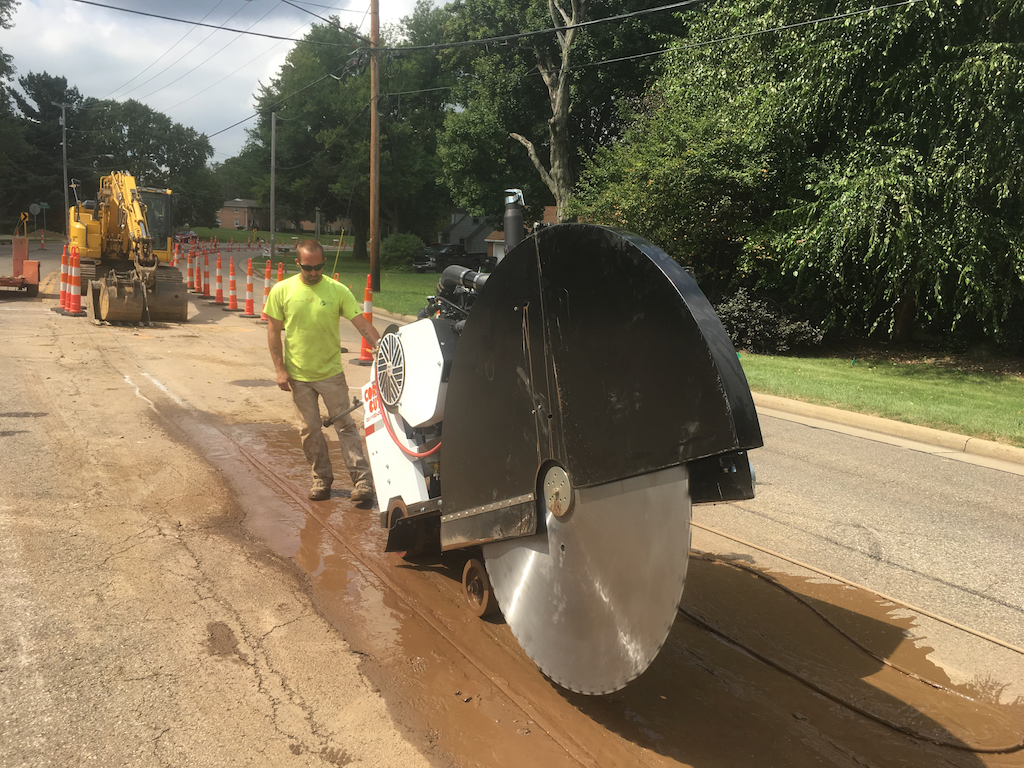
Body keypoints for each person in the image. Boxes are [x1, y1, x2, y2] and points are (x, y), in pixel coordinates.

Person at [265, 240, 380, 503]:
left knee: (345, 426)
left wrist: (382, 349)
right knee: (309, 430)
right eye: (308, 268)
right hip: (298, 376)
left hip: (331, 373)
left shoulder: (337, 290)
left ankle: (362, 482)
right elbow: (273, 331)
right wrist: (280, 369)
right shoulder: (282, 291)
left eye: (318, 267)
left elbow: (362, 323)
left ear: (324, 263)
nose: (314, 272)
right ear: (298, 263)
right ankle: (322, 479)